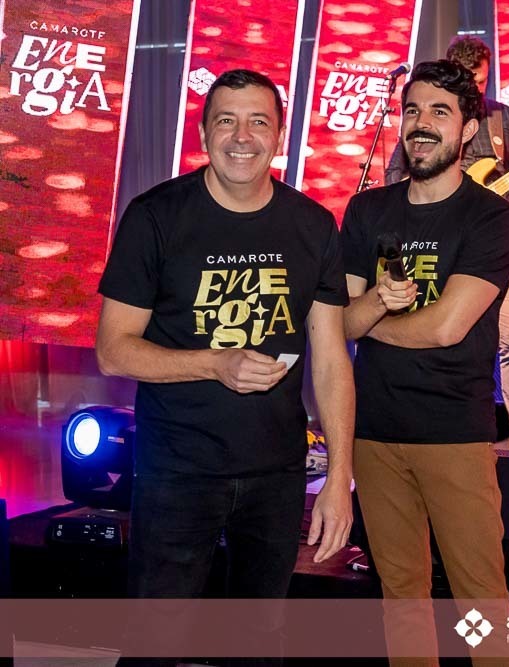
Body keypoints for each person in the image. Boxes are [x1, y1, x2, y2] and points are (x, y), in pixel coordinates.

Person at [95, 69, 355, 665]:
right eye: (226, 121)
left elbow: (332, 360)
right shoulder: (157, 216)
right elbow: (114, 349)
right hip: (178, 471)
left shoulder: (312, 224)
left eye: (258, 121)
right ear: (204, 131)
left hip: (277, 475)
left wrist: (338, 476)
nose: (242, 136)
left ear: (280, 134)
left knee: (259, 644)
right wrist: (215, 364)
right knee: (156, 643)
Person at [337, 60, 509, 666]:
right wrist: (363, 312)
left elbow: (447, 327)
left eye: (439, 112)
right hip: (375, 433)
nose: (421, 124)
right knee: (401, 600)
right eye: (412, 110)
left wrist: (371, 319)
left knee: (480, 606)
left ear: (468, 129)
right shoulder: (367, 212)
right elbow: (337, 320)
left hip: (454, 437)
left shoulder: (490, 217)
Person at [384, 36, 509, 452]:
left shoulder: (504, 119)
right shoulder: (426, 123)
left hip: (492, 245)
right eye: (468, 81)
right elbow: (394, 178)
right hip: (433, 246)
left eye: (481, 81)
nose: (476, 89)